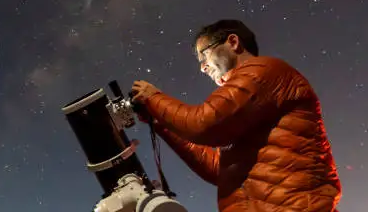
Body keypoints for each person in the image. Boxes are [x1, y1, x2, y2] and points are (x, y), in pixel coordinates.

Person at [130, 19, 342, 211]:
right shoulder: (248, 99)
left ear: (232, 42)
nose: (203, 68)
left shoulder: (262, 71)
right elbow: (219, 168)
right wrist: (160, 122)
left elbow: (203, 123)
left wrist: (153, 97)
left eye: (204, 54)